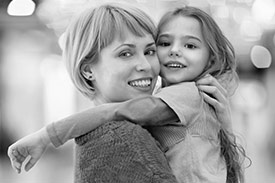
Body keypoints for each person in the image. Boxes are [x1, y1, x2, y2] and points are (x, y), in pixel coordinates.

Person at [7, 4, 237, 183]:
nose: (146, 65)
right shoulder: (120, 138)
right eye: (126, 54)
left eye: (149, 51)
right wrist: (47, 136)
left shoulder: (179, 99)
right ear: (87, 69)